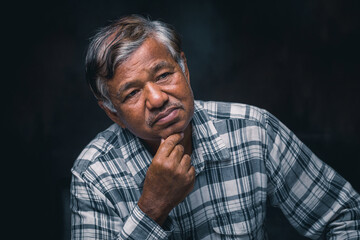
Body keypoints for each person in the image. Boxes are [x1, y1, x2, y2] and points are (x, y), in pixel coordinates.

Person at [70, 15, 360, 239]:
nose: (156, 98)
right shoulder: (94, 175)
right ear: (113, 113)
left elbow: (345, 215)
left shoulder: (252, 130)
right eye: (132, 93)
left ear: (184, 69)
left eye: (163, 74)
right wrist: (152, 208)